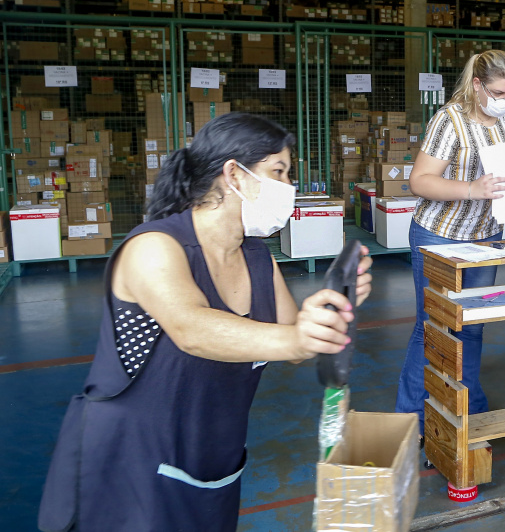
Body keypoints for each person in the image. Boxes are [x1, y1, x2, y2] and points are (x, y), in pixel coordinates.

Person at [38, 113, 373, 532]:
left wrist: (335, 306)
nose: (290, 188)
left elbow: (293, 342)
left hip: (213, 457)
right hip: (131, 463)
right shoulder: (154, 247)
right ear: (233, 173)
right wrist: (297, 339)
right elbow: (192, 329)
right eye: (278, 172)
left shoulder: (256, 257)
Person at [395, 50, 505, 439]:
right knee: (433, 326)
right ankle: (413, 421)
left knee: (472, 326)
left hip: (485, 237)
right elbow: (419, 181)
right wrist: (472, 189)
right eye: (497, 92)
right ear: (477, 85)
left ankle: (468, 412)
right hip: (440, 236)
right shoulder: (449, 120)